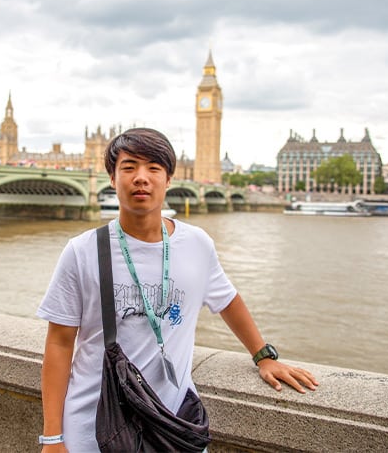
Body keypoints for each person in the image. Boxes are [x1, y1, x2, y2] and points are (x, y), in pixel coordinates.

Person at [37, 127, 318, 452]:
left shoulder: (196, 244)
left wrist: (264, 357)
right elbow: (59, 344)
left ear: (169, 178)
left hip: (174, 426)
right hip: (92, 430)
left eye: (153, 168)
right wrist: (52, 438)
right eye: (129, 168)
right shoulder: (82, 251)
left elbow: (228, 300)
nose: (141, 178)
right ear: (112, 179)